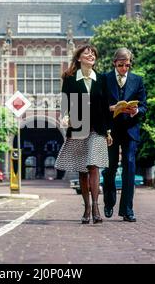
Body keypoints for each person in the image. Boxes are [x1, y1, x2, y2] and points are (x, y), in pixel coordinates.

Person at [55, 44, 113, 224]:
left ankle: (96, 207)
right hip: (78, 128)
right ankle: (86, 207)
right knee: (82, 169)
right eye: (86, 53)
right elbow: (65, 104)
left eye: (93, 53)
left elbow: (106, 107)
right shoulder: (70, 78)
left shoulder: (102, 79)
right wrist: (65, 118)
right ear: (79, 58)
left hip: (98, 128)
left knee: (93, 166)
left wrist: (108, 131)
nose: (90, 55)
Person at [102, 48, 147, 222]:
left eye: (127, 65)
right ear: (115, 63)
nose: (124, 69)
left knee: (129, 167)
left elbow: (144, 106)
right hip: (111, 131)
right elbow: (98, 105)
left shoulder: (137, 80)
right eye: (121, 65)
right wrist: (111, 108)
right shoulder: (105, 79)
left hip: (130, 130)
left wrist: (136, 110)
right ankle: (108, 201)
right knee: (110, 168)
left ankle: (127, 210)